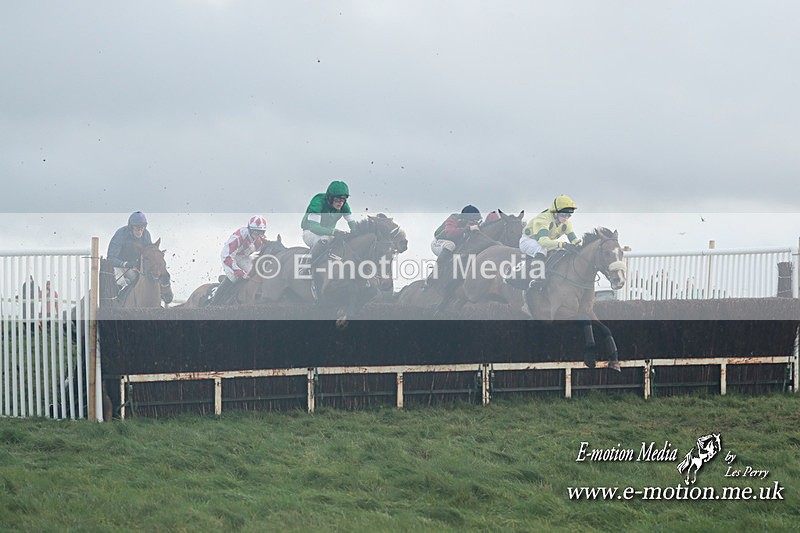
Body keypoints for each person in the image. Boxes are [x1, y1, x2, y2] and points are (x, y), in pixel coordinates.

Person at [511, 194, 582, 290]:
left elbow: (574, 240)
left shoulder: (566, 223)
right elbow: (543, 242)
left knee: (561, 251)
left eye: (569, 215)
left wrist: (581, 246)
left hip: (545, 242)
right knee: (542, 250)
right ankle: (535, 279)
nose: (566, 218)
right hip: (528, 241)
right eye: (563, 214)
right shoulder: (543, 219)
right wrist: (563, 244)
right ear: (555, 212)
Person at [300, 180, 357, 297]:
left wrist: (357, 234)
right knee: (324, 239)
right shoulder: (317, 202)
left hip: (329, 234)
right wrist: (335, 232)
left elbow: (353, 225)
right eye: (337, 199)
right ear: (330, 197)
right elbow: (314, 227)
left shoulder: (344, 206)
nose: (340, 203)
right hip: (310, 232)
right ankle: (306, 266)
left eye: (343, 199)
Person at [211, 216, 269, 305]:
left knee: (253, 273)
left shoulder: (261, 239)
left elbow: (267, 250)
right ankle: (214, 303)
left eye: (260, 232)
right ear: (249, 229)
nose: (257, 234)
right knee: (234, 278)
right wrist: (240, 272)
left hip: (243, 257)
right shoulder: (239, 236)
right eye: (255, 231)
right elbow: (227, 256)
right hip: (228, 257)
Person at [427, 205, 482, 286]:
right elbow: (450, 233)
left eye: (477, 222)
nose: (474, 224)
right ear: (463, 219)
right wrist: (468, 229)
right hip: (438, 242)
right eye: (472, 222)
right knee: (450, 245)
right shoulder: (453, 219)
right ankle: (434, 274)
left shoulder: (468, 222)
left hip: (454, 244)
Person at [107, 211, 153, 293]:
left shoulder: (146, 235)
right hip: (118, 266)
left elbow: (149, 255)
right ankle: (114, 303)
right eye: (136, 228)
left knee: (140, 282)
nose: (139, 231)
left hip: (132, 268)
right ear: (131, 227)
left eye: (141, 228)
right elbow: (111, 258)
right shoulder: (121, 234)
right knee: (120, 282)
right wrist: (125, 264)